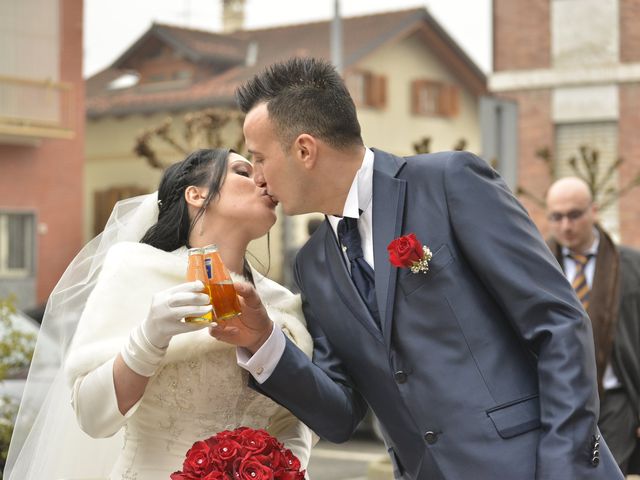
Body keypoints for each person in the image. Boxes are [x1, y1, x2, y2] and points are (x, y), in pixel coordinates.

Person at [209, 57, 624, 480]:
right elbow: (340, 417)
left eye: (259, 158)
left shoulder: (449, 182)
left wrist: (563, 465)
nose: (257, 177)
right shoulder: (313, 263)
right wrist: (263, 343)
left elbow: (559, 323)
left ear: (304, 150)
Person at [5, 149, 315, 479]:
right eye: (242, 171)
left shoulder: (280, 302)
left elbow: (296, 419)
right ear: (197, 194)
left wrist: (286, 464)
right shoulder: (135, 272)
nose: (262, 181)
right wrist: (148, 339)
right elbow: (92, 416)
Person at [546, 176, 640, 475]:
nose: (565, 226)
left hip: (615, 400)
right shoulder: (538, 267)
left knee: (610, 473)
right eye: (556, 217)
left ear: (594, 211)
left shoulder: (631, 265)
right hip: (557, 401)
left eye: (574, 214)